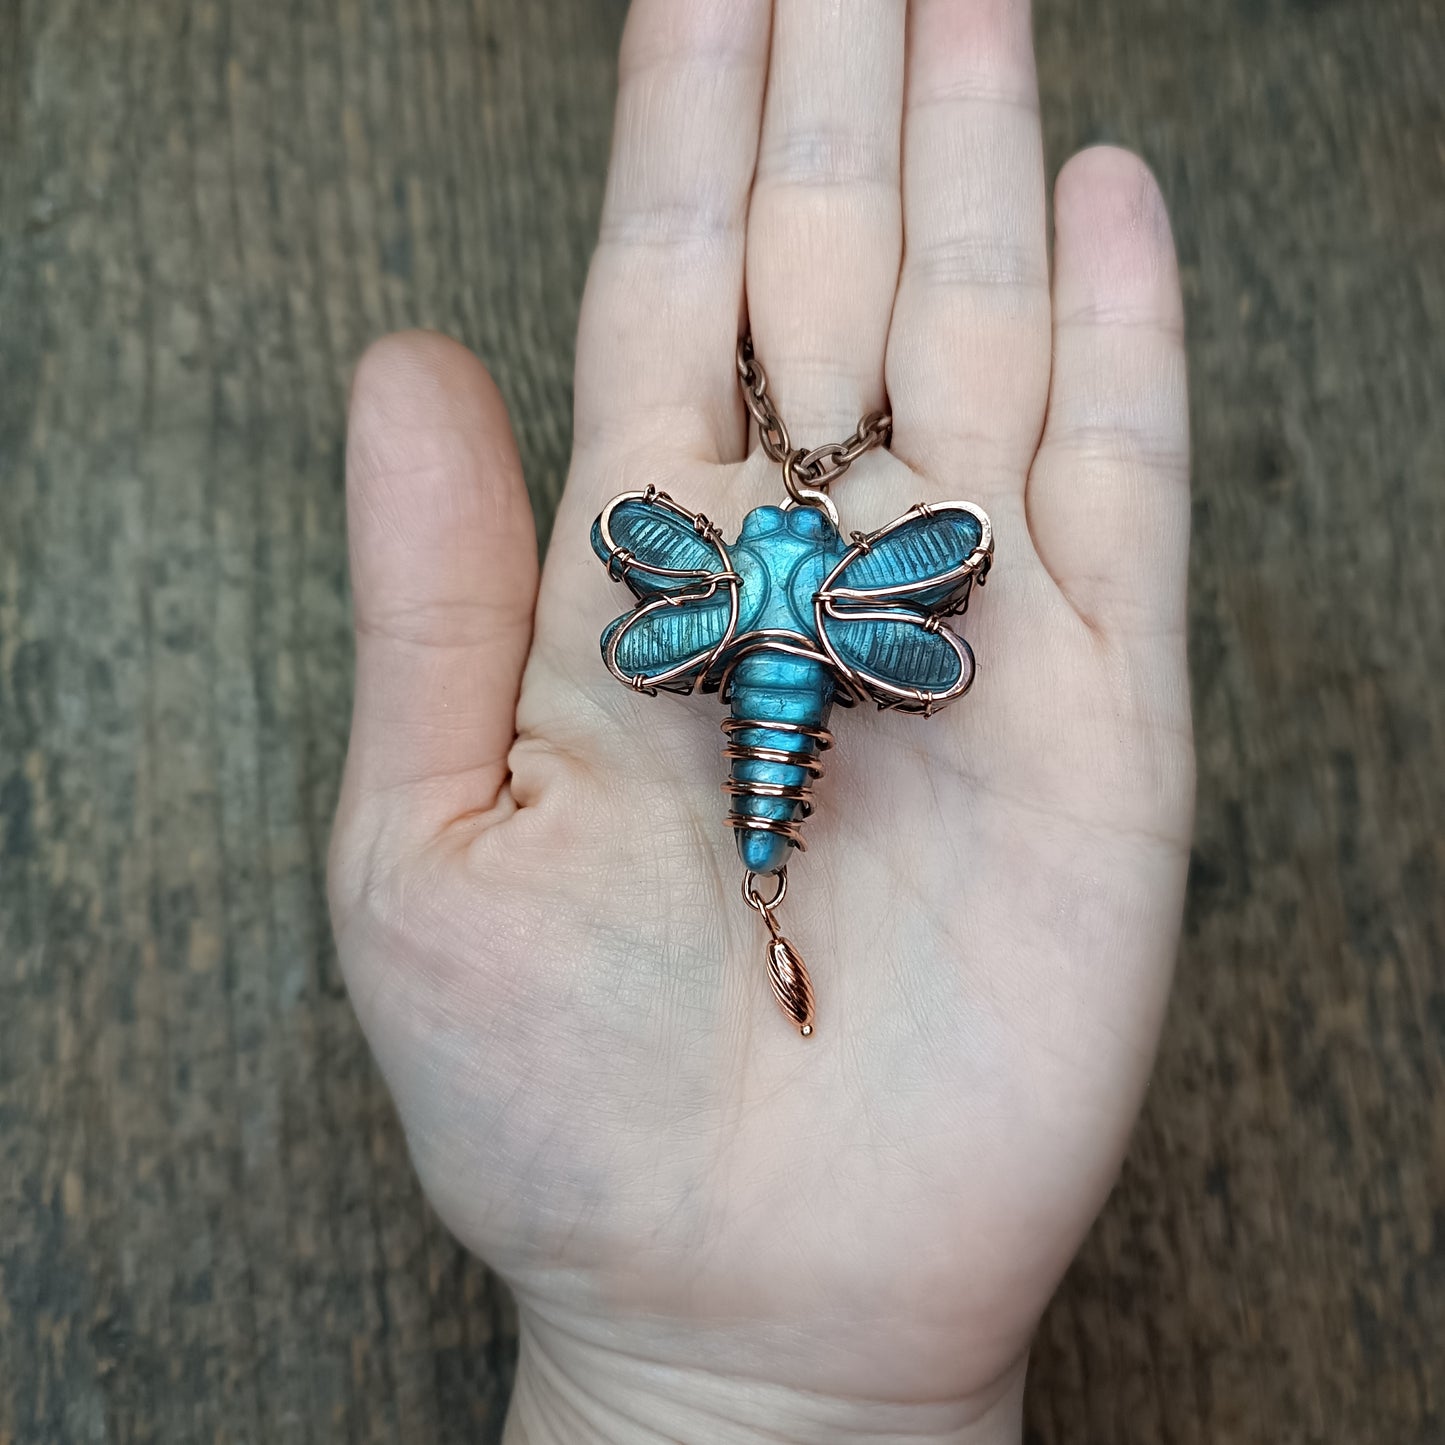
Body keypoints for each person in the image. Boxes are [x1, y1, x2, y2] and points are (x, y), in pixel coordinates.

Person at [328, 0, 1192, 1439]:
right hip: (788, 701)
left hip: (754, 691)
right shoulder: (854, 581)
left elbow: (645, 546)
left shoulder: (724, 580)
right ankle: (763, 884)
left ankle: (763, 882)